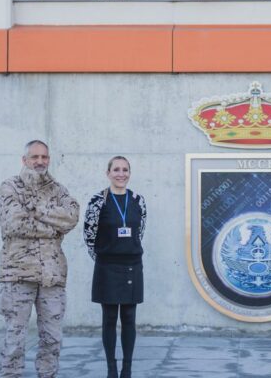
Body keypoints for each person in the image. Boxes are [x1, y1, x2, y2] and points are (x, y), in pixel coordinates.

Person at [0, 140, 80, 378]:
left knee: (52, 340)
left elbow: (71, 217)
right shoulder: (10, 187)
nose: (40, 161)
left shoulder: (58, 190)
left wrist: (36, 210)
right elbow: (13, 223)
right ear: (24, 160)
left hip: (52, 276)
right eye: (34, 157)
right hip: (18, 274)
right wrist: (53, 228)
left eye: (44, 157)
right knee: (15, 339)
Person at [83, 156, 147, 378]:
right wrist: (106, 256)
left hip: (132, 266)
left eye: (125, 170)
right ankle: (111, 369)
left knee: (129, 317)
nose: (121, 174)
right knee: (109, 318)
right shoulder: (97, 201)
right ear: (108, 173)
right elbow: (89, 237)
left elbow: (139, 233)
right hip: (107, 267)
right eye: (116, 170)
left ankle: (126, 369)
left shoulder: (138, 200)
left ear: (130, 173)